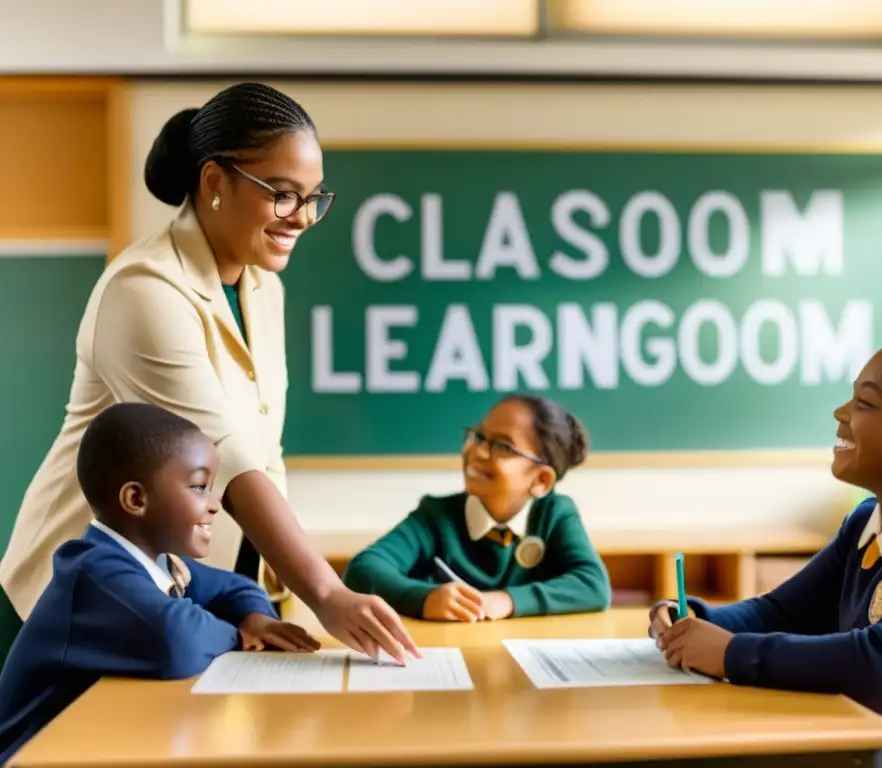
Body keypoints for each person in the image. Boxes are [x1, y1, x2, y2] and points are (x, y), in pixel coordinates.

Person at [0, 82, 418, 665]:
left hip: (181, 602)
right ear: (216, 182)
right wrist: (324, 590)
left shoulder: (261, 288)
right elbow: (228, 460)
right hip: (70, 609)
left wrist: (266, 594)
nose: (301, 218)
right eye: (283, 195)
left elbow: (262, 452)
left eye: (313, 198)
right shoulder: (144, 289)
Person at [649, 331, 882, 768]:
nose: (841, 413)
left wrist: (730, 653)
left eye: (865, 403)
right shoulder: (867, 523)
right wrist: (693, 620)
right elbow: (780, 613)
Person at [0, 403, 321, 764]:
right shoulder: (94, 572)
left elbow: (237, 588)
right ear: (136, 499)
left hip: (91, 748)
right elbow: (176, 640)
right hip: (30, 758)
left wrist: (256, 618)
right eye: (200, 487)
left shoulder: (161, 563)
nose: (215, 505)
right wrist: (238, 633)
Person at [343, 395, 611, 621]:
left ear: (541, 480)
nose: (479, 451)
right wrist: (425, 599)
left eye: (503, 446)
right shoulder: (436, 516)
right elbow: (364, 569)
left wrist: (506, 601)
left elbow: (593, 586)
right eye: (479, 436)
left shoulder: (555, 514)